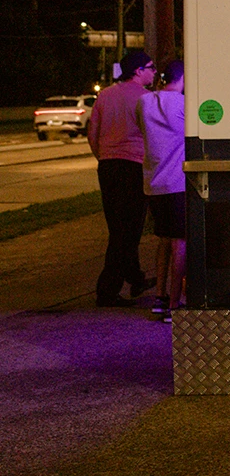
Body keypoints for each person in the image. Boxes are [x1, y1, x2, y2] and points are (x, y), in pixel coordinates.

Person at [88, 50, 157, 307]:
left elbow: (93, 133)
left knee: (118, 226)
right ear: (138, 71)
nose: (154, 72)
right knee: (128, 230)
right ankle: (107, 290)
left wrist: (103, 156)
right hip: (134, 166)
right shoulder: (146, 99)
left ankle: (136, 277)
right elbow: (153, 136)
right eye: (151, 67)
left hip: (108, 167)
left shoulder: (105, 96)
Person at [137, 60, 185, 322]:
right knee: (180, 242)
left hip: (153, 184)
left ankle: (160, 297)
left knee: (164, 239)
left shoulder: (144, 103)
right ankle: (175, 304)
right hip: (177, 182)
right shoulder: (184, 104)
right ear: (182, 78)